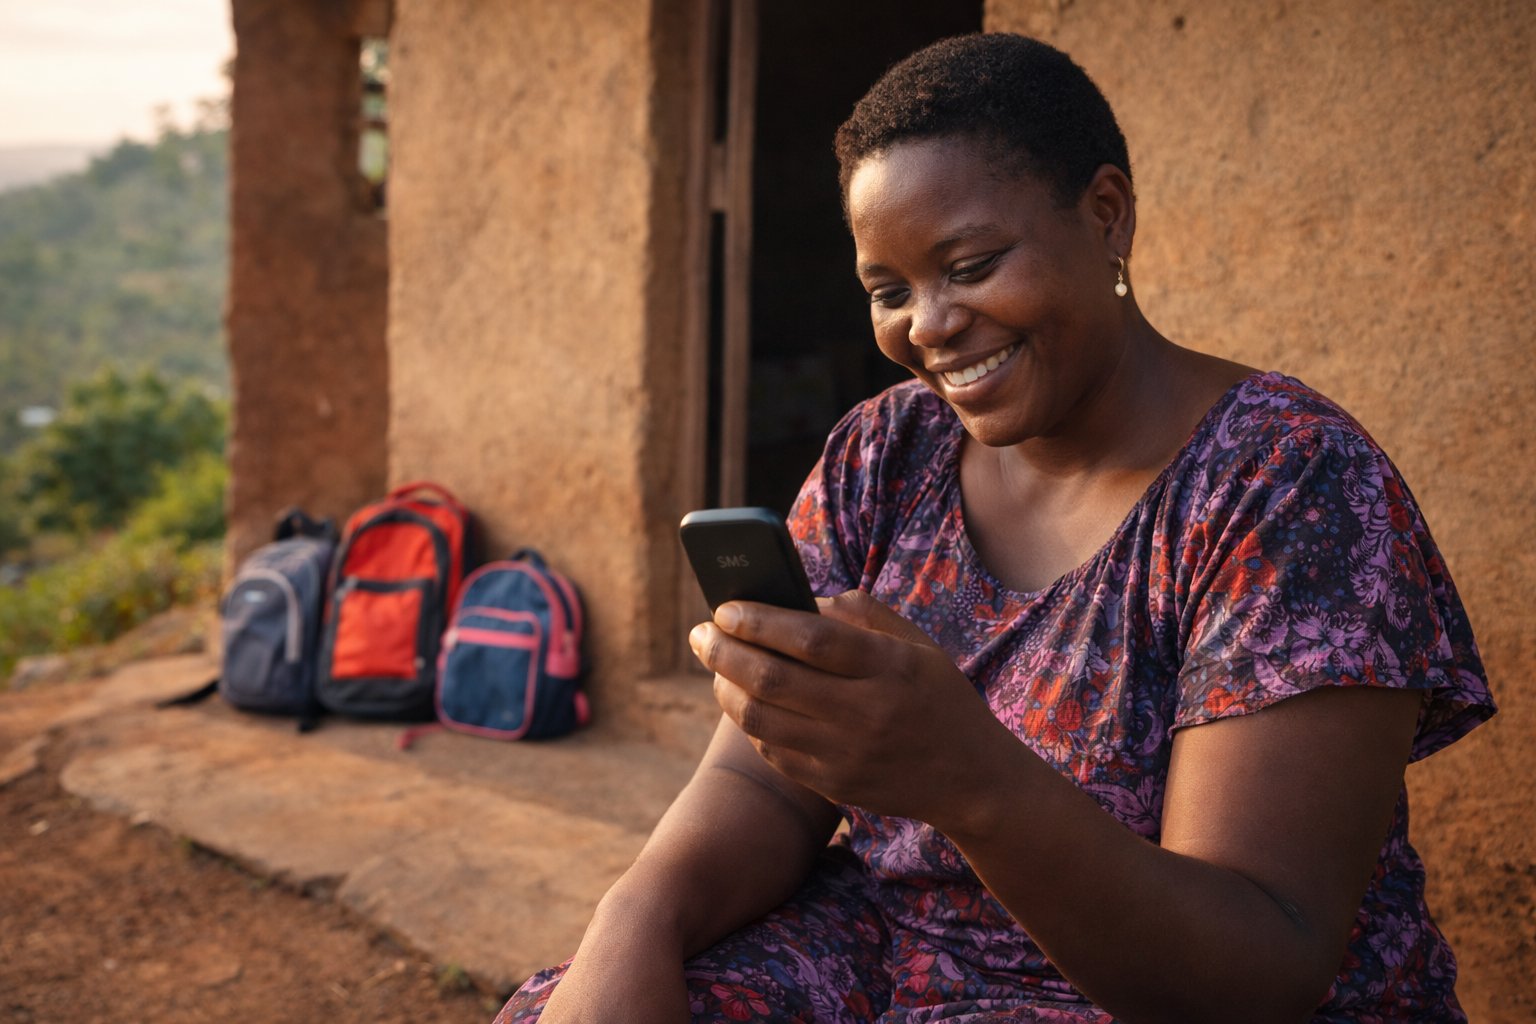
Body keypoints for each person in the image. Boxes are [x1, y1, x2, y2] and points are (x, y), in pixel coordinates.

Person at [494, 33, 1495, 1024]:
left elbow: (1257, 969)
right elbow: (763, 784)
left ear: (1106, 215)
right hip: (898, 950)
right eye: (889, 290)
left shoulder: (1287, 485)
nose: (926, 324)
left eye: (969, 264)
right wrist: (634, 919)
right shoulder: (887, 454)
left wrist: (967, 777)